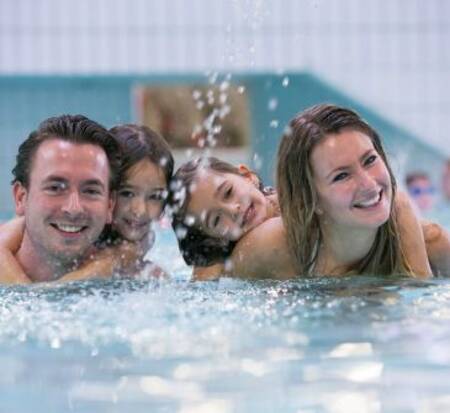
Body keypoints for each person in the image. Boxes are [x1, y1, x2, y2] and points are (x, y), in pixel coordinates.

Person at [168, 150, 432, 279]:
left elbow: (390, 199)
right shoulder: (222, 259)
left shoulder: (293, 197)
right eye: (216, 220)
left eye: (227, 193)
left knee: (431, 235)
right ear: (214, 239)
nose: (233, 210)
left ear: (247, 176)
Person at [276, 104, 450, 277]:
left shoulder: (434, 247)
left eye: (370, 160)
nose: (369, 184)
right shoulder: (277, 252)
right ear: (309, 200)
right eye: (341, 176)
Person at [0, 123, 174, 284]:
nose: (140, 210)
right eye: (127, 193)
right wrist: (26, 291)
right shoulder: (30, 223)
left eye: (155, 196)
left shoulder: (138, 256)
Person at [0, 114, 120, 283]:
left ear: (110, 206)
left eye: (91, 191)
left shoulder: (139, 286)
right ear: (21, 198)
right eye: (55, 188)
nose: (74, 208)